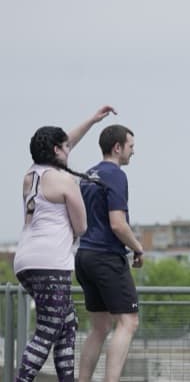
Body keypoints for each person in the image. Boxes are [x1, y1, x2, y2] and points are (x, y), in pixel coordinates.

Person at [13, 106, 116, 382]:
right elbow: (81, 226)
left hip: (25, 261)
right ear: (57, 150)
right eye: (65, 148)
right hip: (50, 262)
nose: (69, 150)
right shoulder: (64, 181)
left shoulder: (30, 176)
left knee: (68, 324)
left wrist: (92, 121)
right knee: (49, 328)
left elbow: (64, 142)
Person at [75, 123, 141, 382]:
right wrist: (138, 247)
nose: (133, 152)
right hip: (106, 257)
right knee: (128, 322)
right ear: (117, 147)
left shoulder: (87, 175)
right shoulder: (115, 175)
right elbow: (118, 223)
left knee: (100, 327)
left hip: (84, 256)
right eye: (131, 147)